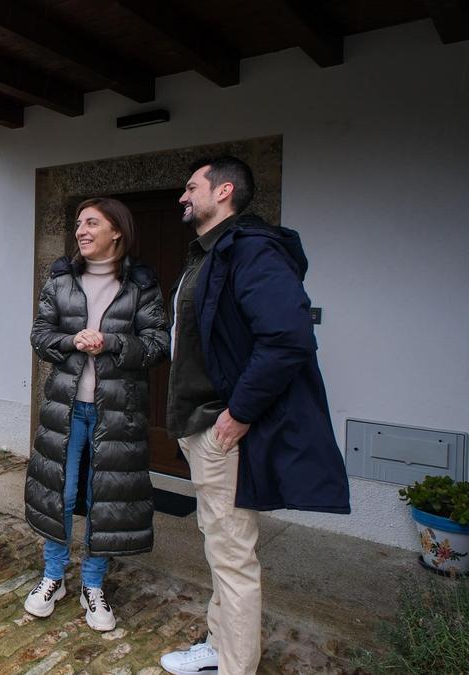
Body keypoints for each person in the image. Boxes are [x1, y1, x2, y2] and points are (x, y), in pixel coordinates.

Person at [159, 157, 350, 675]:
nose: (183, 195)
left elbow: (288, 340)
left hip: (222, 428)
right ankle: (220, 648)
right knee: (221, 548)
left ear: (223, 191)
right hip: (200, 424)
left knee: (232, 557)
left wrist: (237, 414)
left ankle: (235, 665)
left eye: (191, 186)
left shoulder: (252, 250)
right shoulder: (209, 253)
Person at [24, 197, 170, 632]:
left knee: (103, 500)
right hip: (65, 409)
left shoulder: (141, 285)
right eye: (78, 224)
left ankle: (93, 585)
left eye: (92, 223)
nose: (81, 231)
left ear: (117, 231)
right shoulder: (61, 280)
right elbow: (40, 335)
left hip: (117, 413)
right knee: (61, 495)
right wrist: (71, 343)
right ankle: (53, 577)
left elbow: (159, 344)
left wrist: (112, 343)